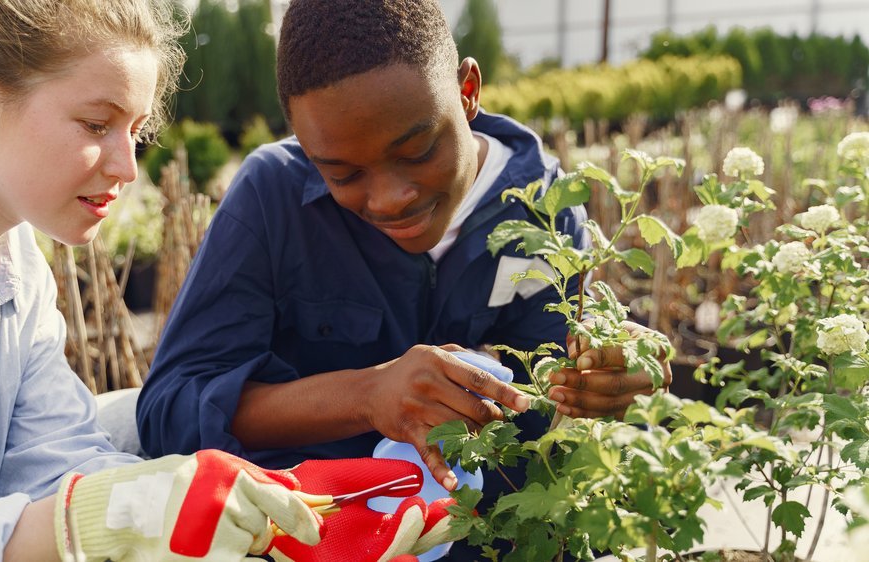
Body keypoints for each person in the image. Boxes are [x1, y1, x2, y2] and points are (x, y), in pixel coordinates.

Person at [0, 1, 452, 560]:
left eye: (136, 129)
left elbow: (56, 458)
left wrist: (264, 513)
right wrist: (102, 517)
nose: (127, 166)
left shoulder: (13, 263)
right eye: (97, 123)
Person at [137, 2, 673, 559]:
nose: (390, 198)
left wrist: (601, 375)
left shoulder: (542, 210)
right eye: (342, 174)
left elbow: (551, 397)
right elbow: (167, 412)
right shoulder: (272, 199)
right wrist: (365, 395)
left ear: (467, 93)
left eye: (417, 152)